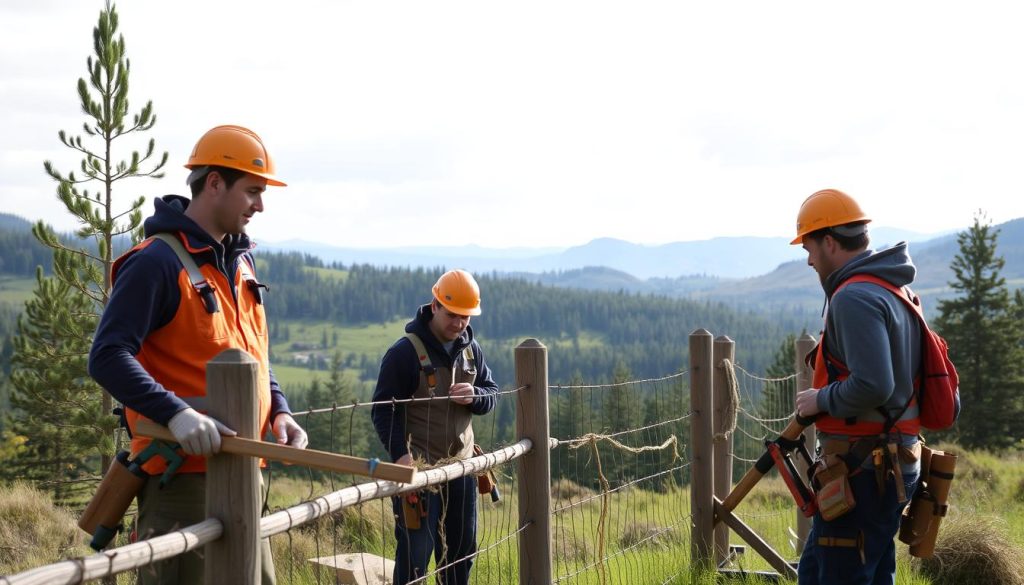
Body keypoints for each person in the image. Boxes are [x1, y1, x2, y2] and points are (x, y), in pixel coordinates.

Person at [89, 125, 308, 585]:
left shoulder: (241, 263)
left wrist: (280, 412)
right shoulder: (155, 263)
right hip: (182, 482)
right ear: (213, 183)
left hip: (247, 474)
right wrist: (177, 415)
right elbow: (107, 355)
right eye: (252, 191)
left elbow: (253, 357)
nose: (260, 205)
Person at [790, 188, 923, 584]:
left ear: (829, 242)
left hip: (864, 471)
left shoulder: (854, 297)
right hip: (887, 463)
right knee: (822, 573)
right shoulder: (891, 287)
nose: (810, 260)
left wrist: (820, 400)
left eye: (810, 248)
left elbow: (874, 385)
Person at [371, 269, 499, 585]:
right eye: (452, 315)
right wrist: (401, 457)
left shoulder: (472, 350)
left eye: (466, 318)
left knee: (460, 554)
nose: (459, 324)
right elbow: (382, 411)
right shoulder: (403, 353)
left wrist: (475, 396)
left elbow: (492, 393)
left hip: (463, 470)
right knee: (415, 559)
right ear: (435, 305)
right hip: (420, 474)